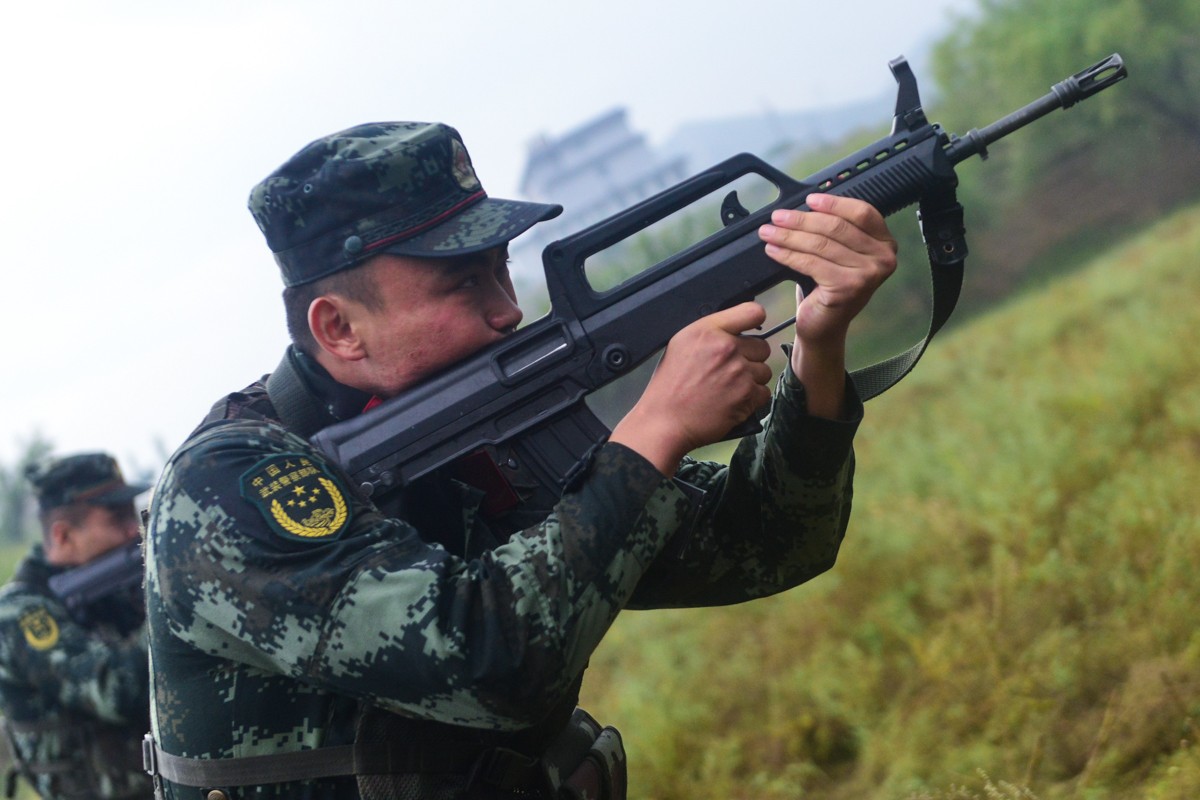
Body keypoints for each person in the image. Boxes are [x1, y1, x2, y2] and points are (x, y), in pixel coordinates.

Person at [144, 121, 898, 800]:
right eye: (463, 283)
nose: (507, 309)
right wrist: (657, 429)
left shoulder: (468, 438)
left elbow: (767, 543)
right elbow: (481, 666)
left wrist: (820, 345)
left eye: (501, 270)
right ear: (339, 327)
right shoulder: (232, 488)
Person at [0, 452, 152, 800]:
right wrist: (173, 601)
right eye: (117, 518)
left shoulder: (115, 590)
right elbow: (114, 690)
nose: (134, 528)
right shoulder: (20, 614)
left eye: (132, 513)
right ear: (64, 535)